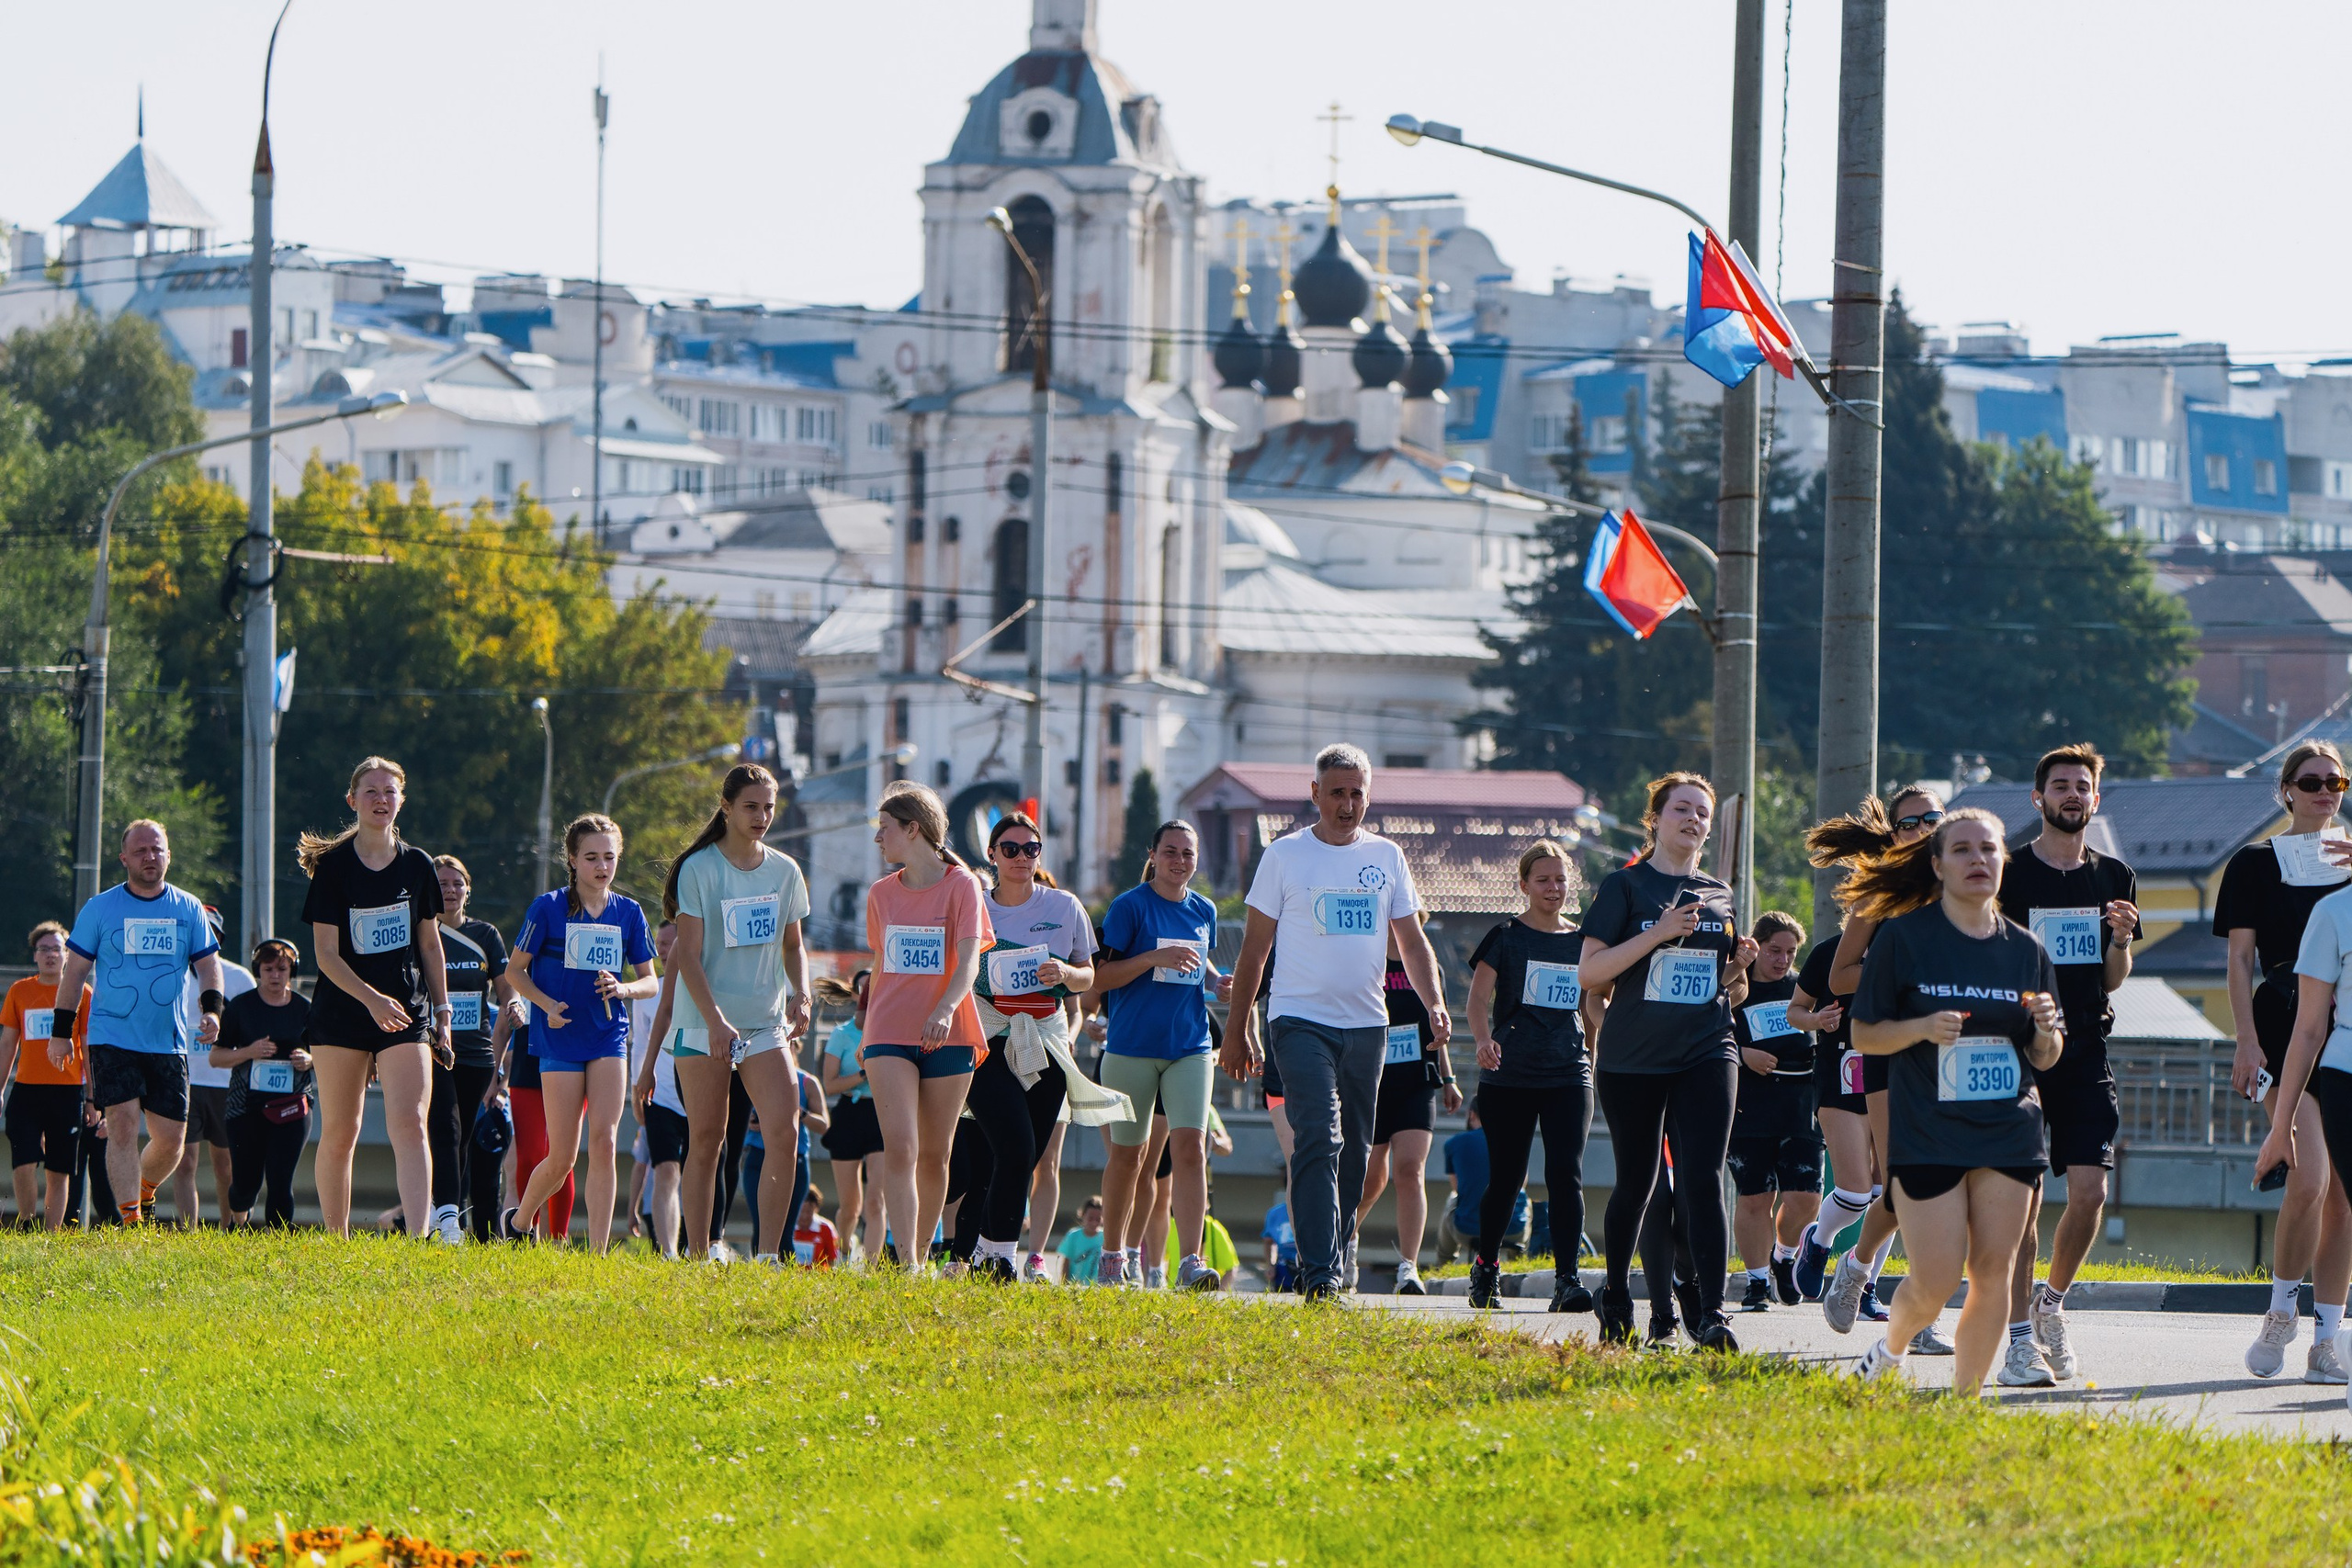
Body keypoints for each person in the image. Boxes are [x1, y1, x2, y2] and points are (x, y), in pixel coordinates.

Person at [1843, 810, 2065, 1393]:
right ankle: (1890, 1349)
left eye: (1989, 850)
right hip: (1929, 1129)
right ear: (1938, 865)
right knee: (1935, 1279)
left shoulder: (2027, 949)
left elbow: (2046, 1057)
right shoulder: (1904, 937)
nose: (1978, 860)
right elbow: (1865, 1036)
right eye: (1962, 851)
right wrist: (1920, 1028)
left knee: (1994, 1271)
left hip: (2008, 1127)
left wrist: (2044, 1029)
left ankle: (1964, 1403)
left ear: (2003, 861)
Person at [1223, 745, 1451, 1301]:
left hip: (1367, 1027)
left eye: (1357, 793)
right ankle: (1320, 1273)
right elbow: (1254, 952)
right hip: (1299, 1020)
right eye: (1337, 793)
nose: (1347, 804)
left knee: (1356, 1151)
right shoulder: (1285, 856)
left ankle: (1334, 1253)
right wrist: (1237, 1027)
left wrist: (1435, 1002)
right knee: (1318, 1137)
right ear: (1316, 795)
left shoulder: (1388, 857)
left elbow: (1413, 942)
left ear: (1368, 795)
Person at [1576, 773, 1753, 1350]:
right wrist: (1659, 933)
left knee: (1704, 1178)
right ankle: (1619, 1296)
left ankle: (1710, 1313)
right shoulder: (1624, 888)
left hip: (1707, 1048)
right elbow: (1591, 973)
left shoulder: (1719, 892)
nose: (1694, 820)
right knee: (1639, 1182)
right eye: (1682, 809)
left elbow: (1730, 989)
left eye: (1702, 812)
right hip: (1634, 1058)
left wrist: (1738, 967)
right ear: (1656, 819)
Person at [1995, 745, 2142, 1385]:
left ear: (2096, 799)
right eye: (2060, 785)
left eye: (2083, 785)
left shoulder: (2116, 876)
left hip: (2086, 1047)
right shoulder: (2009, 874)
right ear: (2039, 798)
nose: (2072, 793)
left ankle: (2050, 1305)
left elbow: (2112, 981)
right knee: (2023, 1207)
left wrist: (2120, 940)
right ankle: (2019, 1342)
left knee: (2090, 1192)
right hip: (2020, 1051)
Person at [1795, 785, 1956, 1356]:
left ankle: (1858, 1267)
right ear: (1894, 831)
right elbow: (1838, 978)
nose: (1920, 827)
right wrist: (1896, 971)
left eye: (1931, 818)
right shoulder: (1878, 896)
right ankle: (1905, 1304)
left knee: (1945, 1182)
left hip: (1954, 1053)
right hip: (1889, 1051)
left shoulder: (1965, 885)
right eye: (1908, 821)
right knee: (1904, 1184)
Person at [640, 764, 814, 1265]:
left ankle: (768, 1256)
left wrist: (801, 995)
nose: (762, 817)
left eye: (769, 807)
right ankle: (696, 1256)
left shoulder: (785, 871)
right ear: (727, 808)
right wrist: (715, 1021)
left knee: (786, 1128)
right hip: (703, 1023)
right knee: (708, 1140)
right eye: (751, 807)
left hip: (764, 1023)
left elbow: (793, 945)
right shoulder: (699, 869)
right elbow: (687, 956)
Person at [2219, 739, 2352, 1382]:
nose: (2326, 790)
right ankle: (2280, 1311)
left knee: (2343, 1198)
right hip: (2281, 1023)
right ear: (2287, 789)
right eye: (2312, 779)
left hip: (2345, 1026)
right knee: (2307, 1179)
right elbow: (2240, 960)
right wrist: (2245, 1038)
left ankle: (2328, 1339)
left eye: (2337, 780)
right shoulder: (2253, 862)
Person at [298, 758, 451, 1238]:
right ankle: (337, 1239)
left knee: (410, 1122)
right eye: (371, 792)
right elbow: (325, 955)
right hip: (343, 1010)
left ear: (401, 800)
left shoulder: (418, 864)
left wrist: (442, 1013)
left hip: (407, 1012)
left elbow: (429, 944)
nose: (381, 800)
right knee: (342, 1131)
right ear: (353, 801)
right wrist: (370, 1000)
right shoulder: (333, 867)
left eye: (389, 792)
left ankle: (419, 1235)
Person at [53, 820, 224, 1225]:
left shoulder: (187, 908)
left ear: (169, 855)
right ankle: (131, 1221)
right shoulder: (100, 908)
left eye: (157, 850)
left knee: (172, 1141)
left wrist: (213, 1011)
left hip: (167, 1041)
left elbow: (208, 966)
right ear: (124, 858)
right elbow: (74, 973)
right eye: (142, 850)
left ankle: (146, 1190)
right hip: (112, 1036)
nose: (151, 857)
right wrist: (61, 1033)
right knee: (123, 1123)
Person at [505, 814, 658, 1252]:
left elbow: (649, 981)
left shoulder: (628, 912)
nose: (601, 866)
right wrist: (547, 1005)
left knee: (606, 1140)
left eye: (609, 857)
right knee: (563, 1157)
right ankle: (517, 1222)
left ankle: (597, 1252)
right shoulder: (547, 907)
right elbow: (515, 972)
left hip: (608, 1035)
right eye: (591, 857)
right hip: (559, 1037)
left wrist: (623, 986)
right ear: (572, 860)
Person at [861, 781, 990, 1276]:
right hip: (889, 1032)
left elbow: (967, 964)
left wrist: (943, 1009)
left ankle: (924, 1250)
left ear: (913, 829)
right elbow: (880, 967)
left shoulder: (963, 885)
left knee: (936, 1155)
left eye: (885, 828)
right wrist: (868, 1028)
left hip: (950, 1033)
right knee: (902, 1146)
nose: (879, 839)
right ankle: (908, 1263)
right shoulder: (880, 894)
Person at [963, 813, 1097, 1281]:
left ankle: (984, 1252)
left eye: (1031, 848)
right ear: (993, 855)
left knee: (1027, 1157)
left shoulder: (1064, 906)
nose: (1022, 857)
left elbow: (1088, 974)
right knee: (1014, 1149)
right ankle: (999, 1257)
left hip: (1046, 1041)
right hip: (989, 1039)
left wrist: (1065, 975)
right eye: (1011, 848)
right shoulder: (973, 905)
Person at [1462, 840, 1593, 1314]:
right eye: (1543, 880)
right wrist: (1482, 1040)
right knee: (1508, 1177)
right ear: (1524, 886)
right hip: (1509, 1074)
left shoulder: (1584, 940)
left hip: (1568, 1073)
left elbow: (1590, 1006)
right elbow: (1478, 1002)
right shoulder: (1506, 936)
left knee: (1566, 1175)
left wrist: (1596, 1058)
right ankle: (1486, 1267)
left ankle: (1567, 1279)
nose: (1553, 888)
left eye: (1560, 879)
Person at [1095, 819, 1225, 1291]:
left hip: (1190, 1047)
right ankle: (1113, 1256)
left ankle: (1190, 1261)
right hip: (1131, 1048)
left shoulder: (1204, 908)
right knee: (1130, 1157)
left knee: (1191, 1148)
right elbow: (1100, 977)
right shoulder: (1129, 907)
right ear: (1153, 854)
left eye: (1188, 854)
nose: (1179, 861)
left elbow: (1200, 960)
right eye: (1170, 851)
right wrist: (1151, 958)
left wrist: (1217, 982)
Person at [1358, 918, 1462, 1296]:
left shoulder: (1426, 962)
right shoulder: (1365, 957)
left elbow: (1439, 1026)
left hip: (1417, 1079)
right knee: (1371, 1178)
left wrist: (1448, 1079)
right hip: (1372, 1081)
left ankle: (1408, 1266)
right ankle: (1346, 1240)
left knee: (1410, 1170)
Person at [1726, 911, 1821, 1312]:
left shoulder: (1803, 988)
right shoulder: (1735, 988)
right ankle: (1755, 1283)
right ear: (1756, 945)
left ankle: (1783, 1256)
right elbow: (1710, 1030)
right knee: (1754, 1198)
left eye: (1790, 952)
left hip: (1800, 1105)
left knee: (1806, 1199)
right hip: (1749, 1106)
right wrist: (1743, 1053)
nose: (1782, 959)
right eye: (1774, 950)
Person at [428, 855, 512, 1245]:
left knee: (460, 1139)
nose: (449, 890)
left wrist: (513, 1005)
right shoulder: (424, 933)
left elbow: (506, 985)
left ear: (468, 889)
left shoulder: (486, 935)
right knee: (445, 1129)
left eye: (456, 883)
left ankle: (442, 1212)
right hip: (433, 1050)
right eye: (441, 883)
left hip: (478, 1054)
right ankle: (446, 1218)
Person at [210, 937, 314, 1228]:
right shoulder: (242, 1007)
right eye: (268, 969)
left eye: (282, 969)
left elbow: (327, 1052)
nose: (275, 975)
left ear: (291, 971)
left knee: (281, 1178)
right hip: (246, 1107)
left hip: (292, 1106)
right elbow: (216, 1058)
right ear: (258, 970)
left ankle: (278, 1240)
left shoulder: (305, 1009)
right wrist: (249, 1052)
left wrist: (310, 1060)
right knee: (245, 1183)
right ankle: (239, 1222)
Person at [1, 922, 92, 1230]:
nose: (51, 955)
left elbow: (89, 1049)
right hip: (27, 1090)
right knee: (24, 1160)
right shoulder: (20, 991)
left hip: (68, 1091)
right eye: (44, 949)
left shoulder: (83, 993)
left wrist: (94, 1098)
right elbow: (7, 1044)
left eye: (57, 949)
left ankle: (50, 1236)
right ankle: (26, 1222)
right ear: (35, 955)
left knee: (59, 1169)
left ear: (67, 955)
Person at [174, 907, 254, 1226]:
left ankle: (229, 1227)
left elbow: (255, 1025)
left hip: (226, 1081)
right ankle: (187, 1231)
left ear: (219, 938)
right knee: (184, 1161)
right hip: (183, 1079)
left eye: (211, 933)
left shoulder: (238, 978)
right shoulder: (174, 974)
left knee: (226, 1165)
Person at [814, 972, 887, 1265]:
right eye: (865, 989)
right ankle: (843, 1256)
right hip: (848, 1115)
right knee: (850, 1206)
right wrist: (863, 1074)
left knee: (875, 1201)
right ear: (857, 995)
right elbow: (829, 1084)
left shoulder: (889, 1030)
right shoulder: (842, 1034)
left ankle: (870, 1265)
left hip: (880, 1114)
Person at [492, 979, 571, 1241]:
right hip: (528, 1063)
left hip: (567, 1053)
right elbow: (503, 1029)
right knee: (530, 1155)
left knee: (562, 1159)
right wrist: (494, 1076)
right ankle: (526, 1232)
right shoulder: (521, 971)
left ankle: (557, 1240)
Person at [630, 920, 690, 1258]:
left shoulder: (705, 988)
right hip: (659, 1096)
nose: (664, 951)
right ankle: (668, 1252)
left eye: (671, 943)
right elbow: (639, 1046)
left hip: (697, 1095)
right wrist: (637, 1089)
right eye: (660, 944)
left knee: (697, 1171)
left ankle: (703, 1246)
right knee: (665, 1170)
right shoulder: (649, 995)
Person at [1057, 1193, 1107, 1284]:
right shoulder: (1073, 1235)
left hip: (1096, 1286)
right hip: (1076, 1285)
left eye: (1098, 1219)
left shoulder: (1105, 1237)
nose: (1094, 1223)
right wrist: (1064, 1284)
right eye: (1090, 1218)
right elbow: (1066, 1262)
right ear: (1083, 1215)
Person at [794, 1186, 840, 1267]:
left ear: (816, 1209)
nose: (804, 1217)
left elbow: (833, 1260)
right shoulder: (787, 1226)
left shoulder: (826, 1228)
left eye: (808, 1212)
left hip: (818, 1277)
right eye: (801, 1211)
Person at [1261, 1192, 1298, 1291]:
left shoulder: (1314, 1210)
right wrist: (1270, 1265)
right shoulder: (1275, 1213)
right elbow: (1269, 1242)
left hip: (1309, 1267)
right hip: (1284, 1268)